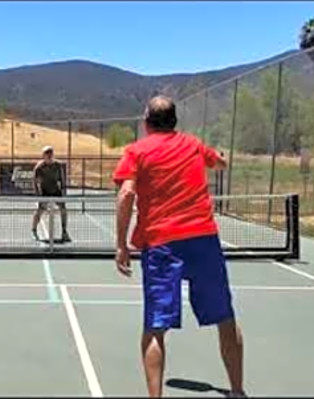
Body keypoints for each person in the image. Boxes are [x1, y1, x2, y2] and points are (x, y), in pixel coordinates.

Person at [113, 96, 245, 398]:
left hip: (161, 244)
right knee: (226, 318)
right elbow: (220, 163)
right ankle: (237, 392)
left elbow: (125, 195)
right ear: (174, 121)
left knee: (155, 328)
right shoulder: (194, 144)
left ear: (147, 122)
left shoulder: (136, 151)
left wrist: (121, 244)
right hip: (204, 240)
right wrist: (219, 159)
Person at [31, 146, 71, 242]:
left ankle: (64, 231)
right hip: (44, 192)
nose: (49, 156)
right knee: (39, 210)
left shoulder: (58, 165)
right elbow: (34, 182)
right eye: (47, 154)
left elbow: (62, 181)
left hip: (56, 191)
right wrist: (38, 196)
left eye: (50, 154)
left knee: (63, 209)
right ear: (43, 156)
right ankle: (34, 230)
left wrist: (63, 194)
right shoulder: (39, 167)